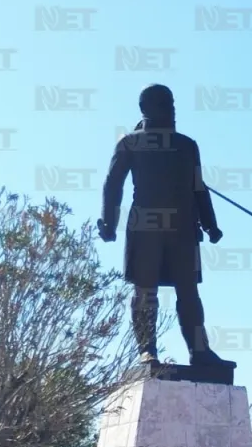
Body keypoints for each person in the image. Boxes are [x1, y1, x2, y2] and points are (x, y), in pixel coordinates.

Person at [98, 84, 233, 368]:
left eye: (172, 102)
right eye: (165, 103)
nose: (172, 108)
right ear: (148, 108)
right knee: (145, 292)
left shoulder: (187, 145)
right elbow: (113, 185)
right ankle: (147, 351)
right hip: (145, 227)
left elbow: (199, 187)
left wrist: (210, 224)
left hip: (183, 228)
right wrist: (109, 223)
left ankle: (200, 352)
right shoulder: (130, 143)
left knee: (189, 293)